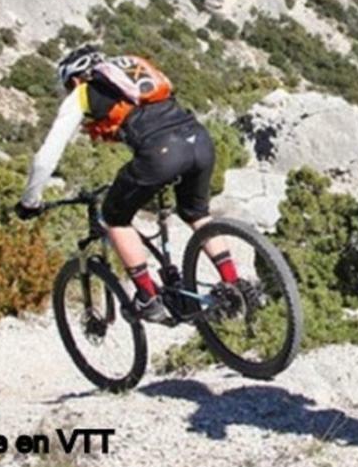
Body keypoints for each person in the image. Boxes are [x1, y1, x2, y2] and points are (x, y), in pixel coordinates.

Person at [14, 45, 238, 322]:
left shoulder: (82, 93)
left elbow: (45, 159)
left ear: (73, 80)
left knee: (114, 217)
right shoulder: (136, 69)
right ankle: (234, 284)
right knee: (197, 215)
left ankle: (147, 297)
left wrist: (30, 200)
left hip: (162, 153)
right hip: (200, 140)